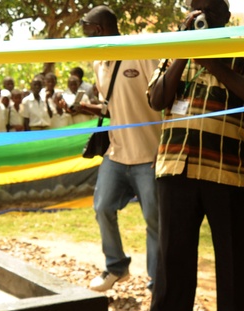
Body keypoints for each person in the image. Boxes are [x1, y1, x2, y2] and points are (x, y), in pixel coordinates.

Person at [146, 0, 244, 311]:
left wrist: (209, 61)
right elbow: (156, 99)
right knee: (173, 254)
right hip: (177, 165)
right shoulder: (175, 51)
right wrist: (185, 51)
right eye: (193, 7)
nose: (199, 14)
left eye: (206, 7)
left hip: (228, 169)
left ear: (224, 14)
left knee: (234, 257)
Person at [78, 5, 163, 293]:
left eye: (86, 32)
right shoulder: (98, 62)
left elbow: (164, 96)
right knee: (102, 207)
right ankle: (116, 267)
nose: (83, 38)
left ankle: (156, 282)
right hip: (116, 154)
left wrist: (164, 150)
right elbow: (113, 106)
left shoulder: (140, 52)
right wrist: (88, 107)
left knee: (155, 220)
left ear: (99, 30)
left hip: (149, 156)